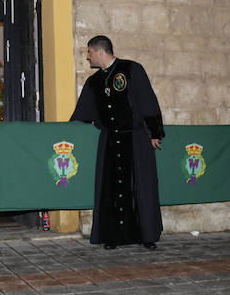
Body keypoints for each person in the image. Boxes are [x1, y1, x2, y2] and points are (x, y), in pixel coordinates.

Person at [70, 35, 164, 250]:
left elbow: (148, 100)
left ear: (100, 52)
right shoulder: (93, 82)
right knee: (109, 189)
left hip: (136, 139)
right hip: (110, 141)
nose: (87, 57)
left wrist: (154, 131)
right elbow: (82, 114)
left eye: (89, 52)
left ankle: (146, 235)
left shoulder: (132, 70)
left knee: (141, 186)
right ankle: (112, 236)